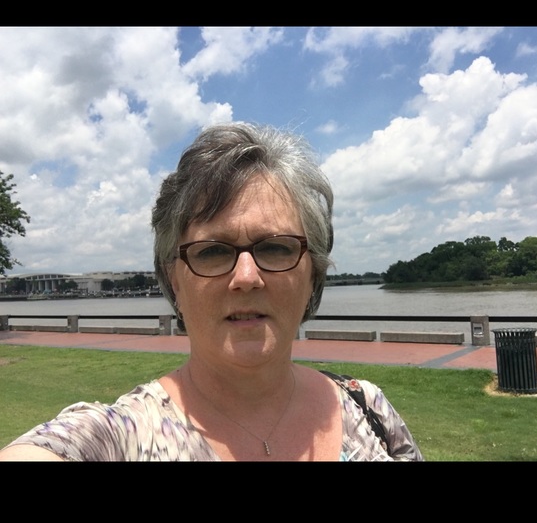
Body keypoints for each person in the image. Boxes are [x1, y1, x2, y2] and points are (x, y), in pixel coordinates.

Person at [0, 122, 423, 461]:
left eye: (275, 247)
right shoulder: (120, 438)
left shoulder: (368, 407)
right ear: (174, 279)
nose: (246, 277)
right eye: (213, 251)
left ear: (313, 271)